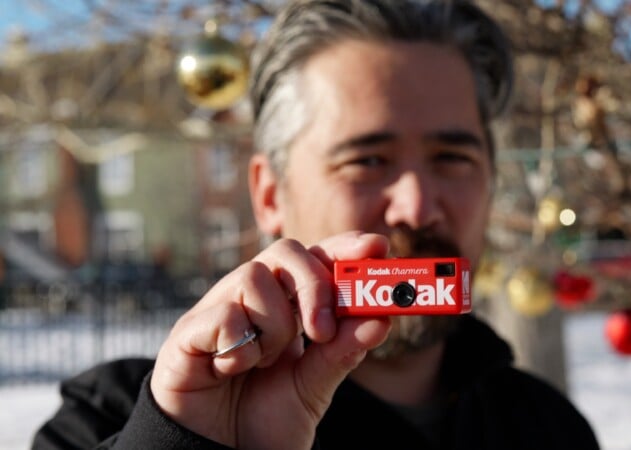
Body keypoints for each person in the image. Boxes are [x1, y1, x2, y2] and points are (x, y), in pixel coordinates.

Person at [33, 0, 599, 448]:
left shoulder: (549, 427)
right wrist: (187, 445)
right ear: (269, 193)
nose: (417, 205)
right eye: (367, 160)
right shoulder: (126, 418)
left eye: (453, 158)